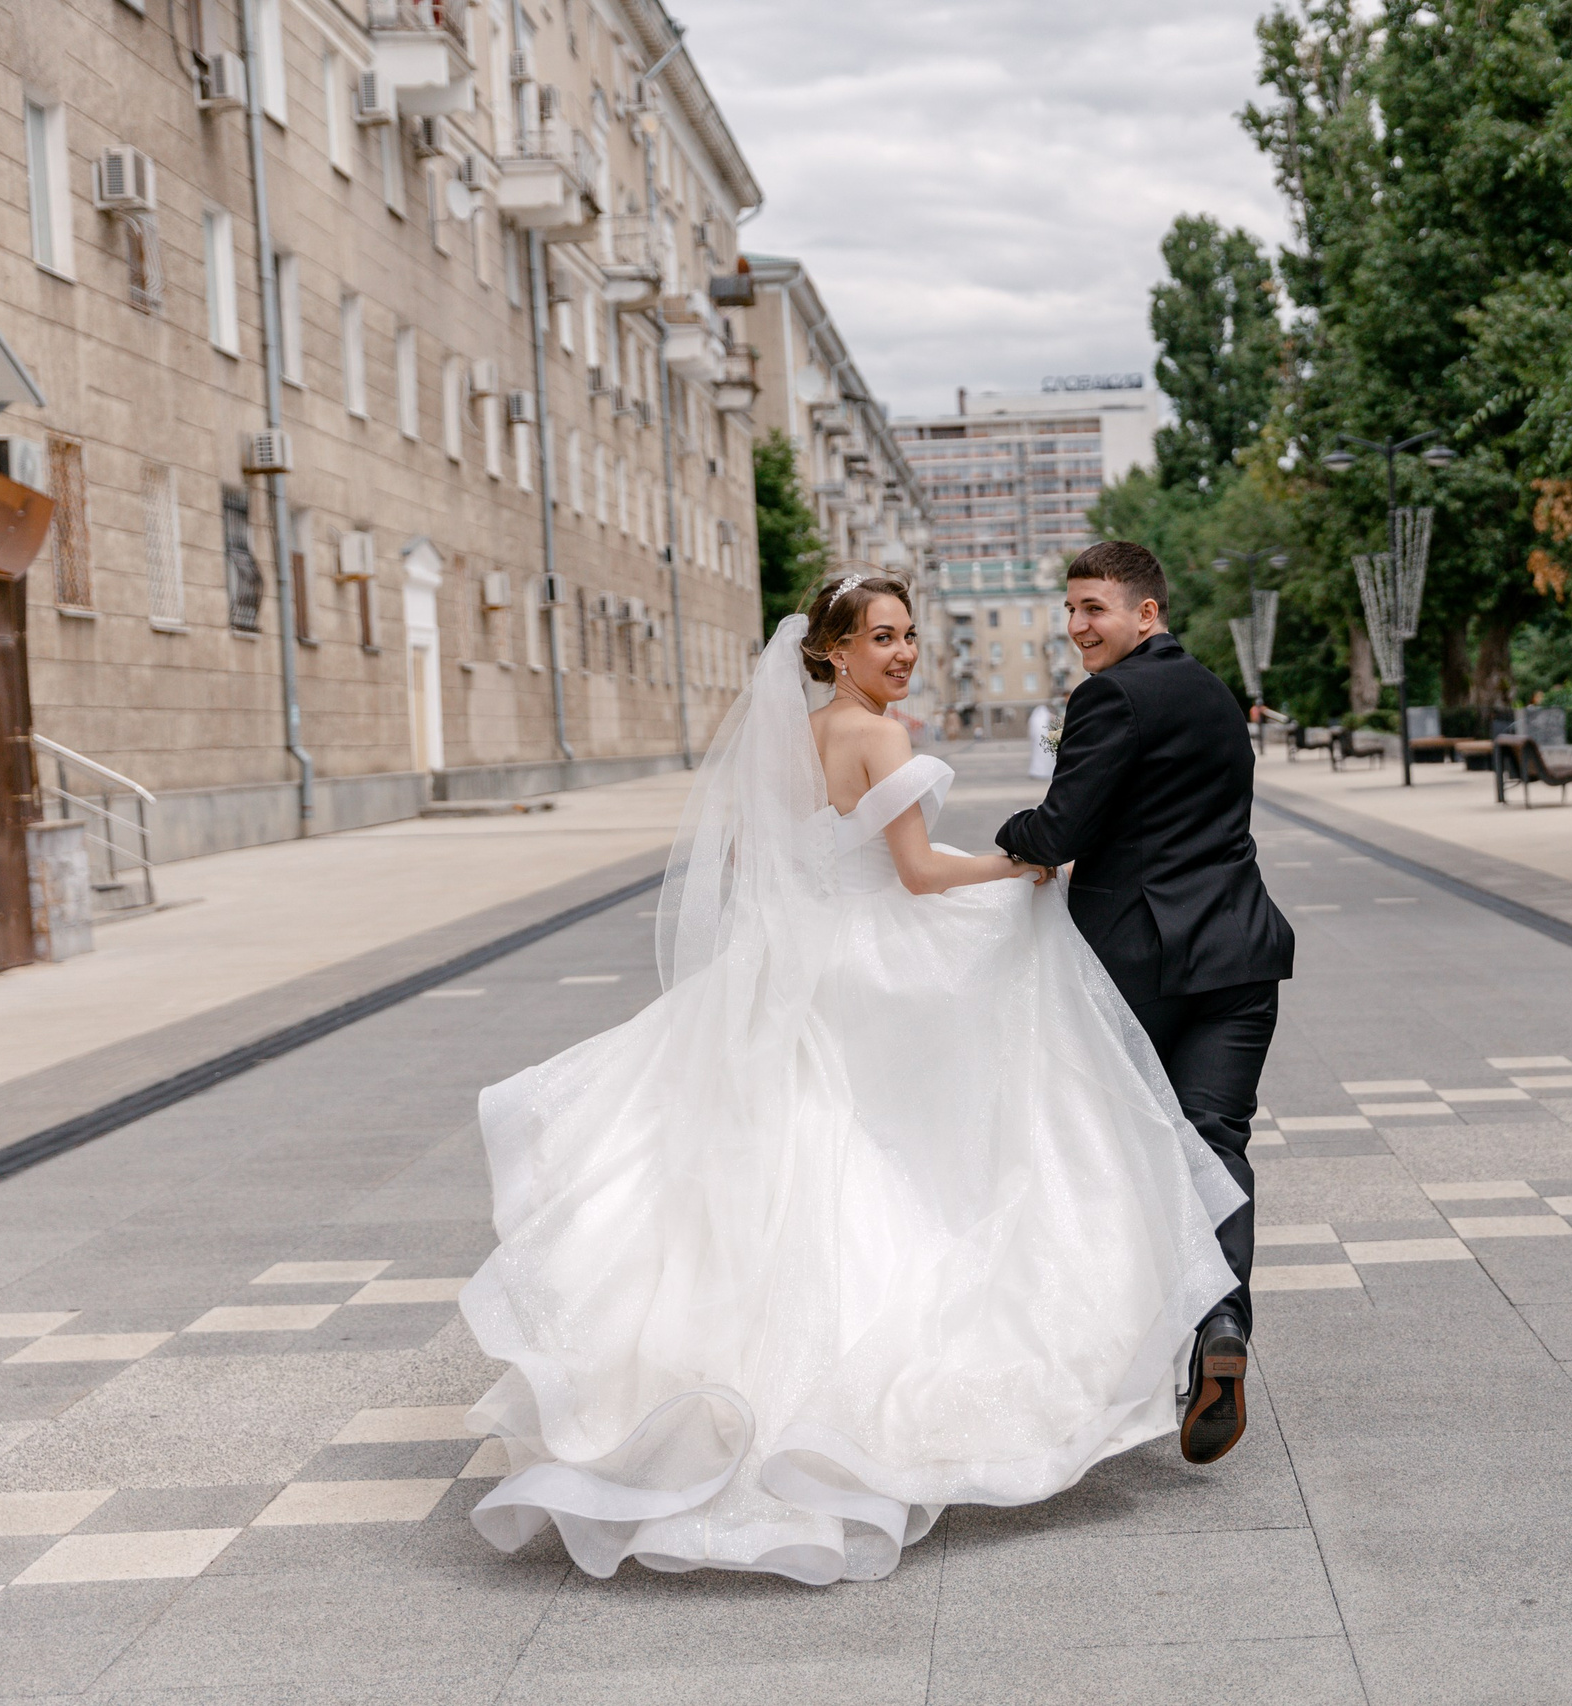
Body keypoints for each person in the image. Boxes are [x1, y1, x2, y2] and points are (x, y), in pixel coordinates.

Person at [456, 572, 1247, 1585]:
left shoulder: (786, 740)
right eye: (883, 637)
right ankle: (867, 1407)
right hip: (869, 956)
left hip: (798, 961)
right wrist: (1021, 869)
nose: (904, 652)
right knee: (923, 1145)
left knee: (795, 1157)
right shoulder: (877, 735)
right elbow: (916, 873)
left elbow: (765, 863)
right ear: (832, 649)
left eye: (909, 634)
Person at [995, 541, 1294, 1468]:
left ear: (1145, 614)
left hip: (1141, 964)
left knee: (1112, 1155)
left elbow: (1061, 829)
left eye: (1096, 609)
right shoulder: (1208, 691)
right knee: (1215, 1141)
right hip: (1241, 953)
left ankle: (1093, 1362)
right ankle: (1221, 1328)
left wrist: (1011, 833)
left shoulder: (1110, 697)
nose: (1080, 626)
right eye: (1073, 610)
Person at [1026, 701, 1058, 780]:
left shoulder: (1035, 718)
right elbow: (1054, 718)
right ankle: (1044, 771)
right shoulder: (1044, 715)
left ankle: (1037, 771)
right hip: (1044, 741)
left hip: (1038, 743)